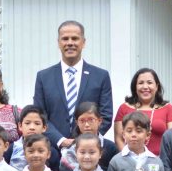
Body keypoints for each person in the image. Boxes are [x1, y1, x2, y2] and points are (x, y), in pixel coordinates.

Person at [33, 20, 113, 150]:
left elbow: (105, 115)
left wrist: (85, 140)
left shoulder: (100, 76)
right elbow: (40, 116)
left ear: (83, 42)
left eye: (75, 38)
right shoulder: (43, 77)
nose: (70, 43)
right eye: (65, 39)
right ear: (58, 43)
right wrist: (60, 140)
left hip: (89, 151)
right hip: (53, 150)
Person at [113, 68, 172, 156]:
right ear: (135, 86)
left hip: (160, 162)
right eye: (141, 83)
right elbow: (118, 138)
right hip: (130, 162)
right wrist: (128, 158)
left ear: (157, 86)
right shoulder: (124, 108)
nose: (145, 87)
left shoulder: (168, 108)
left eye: (149, 83)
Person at [60, 102, 118, 171]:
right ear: (77, 122)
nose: (87, 125)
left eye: (91, 120)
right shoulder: (70, 147)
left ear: (99, 121)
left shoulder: (111, 147)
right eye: (82, 121)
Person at [5, 105, 61, 171]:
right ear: (20, 126)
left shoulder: (51, 151)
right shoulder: (12, 149)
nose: (32, 127)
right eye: (27, 123)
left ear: (44, 128)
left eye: (37, 124)